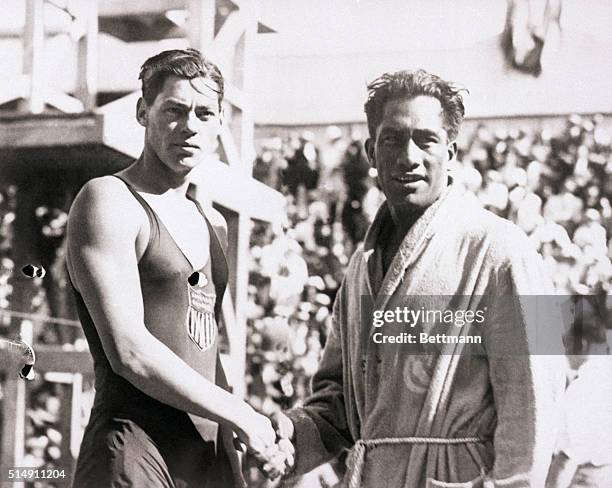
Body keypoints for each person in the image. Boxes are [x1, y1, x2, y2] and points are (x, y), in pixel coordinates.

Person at [275, 69, 566, 487]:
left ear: (451, 151)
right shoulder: (360, 267)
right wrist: (287, 436)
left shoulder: (504, 250)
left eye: (426, 140)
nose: (408, 156)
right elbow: (341, 404)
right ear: (370, 152)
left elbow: (534, 413)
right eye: (392, 139)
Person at [66, 49, 286, 488]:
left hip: (205, 457)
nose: (190, 126)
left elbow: (203, 350)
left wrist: (243, 437)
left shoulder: (212, 222)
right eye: (175, 110)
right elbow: (129, 351)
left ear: (220, 122)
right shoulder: (109, 200)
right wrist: (241, 414)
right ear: (143, 111)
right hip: (134, 451)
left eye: (205, 113)